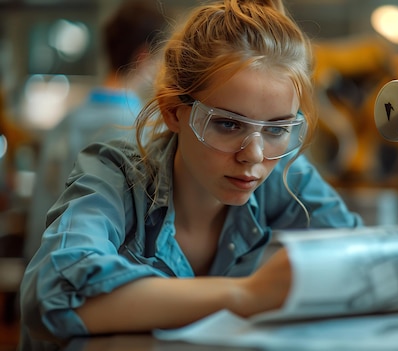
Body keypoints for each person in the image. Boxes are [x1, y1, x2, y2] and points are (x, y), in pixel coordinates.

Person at [19, 0, 363, 349]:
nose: (254, 155)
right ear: (173, 112)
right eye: (228, 124)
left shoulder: (284, 175)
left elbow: (367, 266)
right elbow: (52, 296)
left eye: (277, 129)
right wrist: (244, 295)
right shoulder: (116, 174)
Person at [23, 0, 168, 260]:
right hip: (96, 277)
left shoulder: (65, 122)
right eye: (161, 59)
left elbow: (42, 210)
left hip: (46, 270)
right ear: (144, 57)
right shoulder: (139, 132)